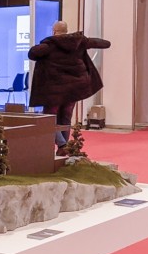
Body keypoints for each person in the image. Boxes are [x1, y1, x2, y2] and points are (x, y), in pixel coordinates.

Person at [28, 20, 111, 156]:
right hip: (73, 89)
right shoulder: (78, 42)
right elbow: (103, 43)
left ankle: (62, 145)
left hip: (54, 91)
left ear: (54, 31)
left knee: (49, 118)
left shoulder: (49, 46)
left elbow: (32, 53)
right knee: (66, 117)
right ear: (66, 31)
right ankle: (63, 148)